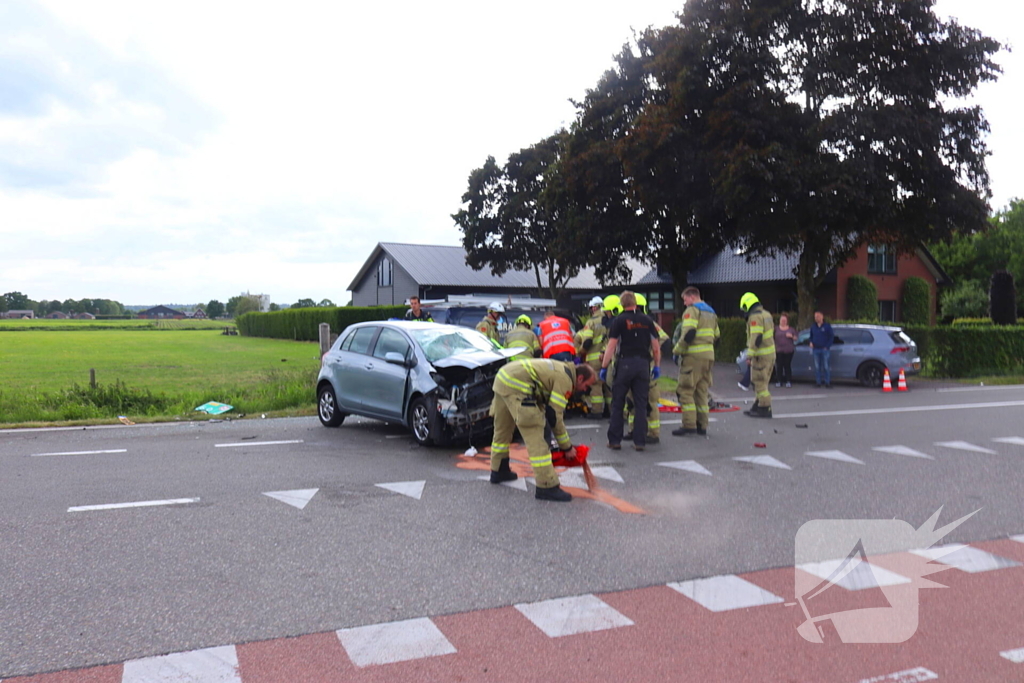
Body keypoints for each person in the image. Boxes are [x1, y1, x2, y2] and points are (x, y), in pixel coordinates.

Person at [488, 359, 597, 502]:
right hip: (517, 387)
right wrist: (567, 447)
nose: (585, 390)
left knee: (502, 431)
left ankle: (499, 470)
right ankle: (547, 486)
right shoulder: (566, 380)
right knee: (536, 437)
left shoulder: (561, 368)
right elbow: (554, 416)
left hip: (503, 379)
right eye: (586, 386)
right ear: (580, 378)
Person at [601, 291, 661, 451]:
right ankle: (640, 441)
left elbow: (611, 346)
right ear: (635, 302)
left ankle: (615, 440)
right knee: (641, 404)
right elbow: (656, 347)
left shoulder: (619, 321)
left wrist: (604, 366)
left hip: (624, 364)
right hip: (643, 365)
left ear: (621, 304)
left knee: (618, 403)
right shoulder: (648, 320)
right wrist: (657, 366)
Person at [672, 287, 720, 436]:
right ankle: (702, 425)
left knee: (685, 390)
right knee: (701, 391)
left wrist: (677, 351)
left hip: (693, 356)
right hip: (708, 356)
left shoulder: (692, 311)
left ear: (692, 297)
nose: (685, 303)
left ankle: (689, 424)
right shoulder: (711, 312)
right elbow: (717, 336)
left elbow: (689, 332)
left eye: (685, 299)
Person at [624, 293, 670, 443]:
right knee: (631, 400)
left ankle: (652, 433)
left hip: (647, 366)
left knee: (649, 401)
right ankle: (633, 430)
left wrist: (650, 351)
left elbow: (663, 338)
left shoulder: (649, 323)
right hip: (633, 365)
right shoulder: (627, 321)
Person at [740, 292, 775, 418]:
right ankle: (758, 405)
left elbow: (756, 337)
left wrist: (749, 354)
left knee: (758, 382)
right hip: (770, 354)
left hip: (760, 356)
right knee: (763, 382)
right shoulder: (766, 314)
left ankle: (765, 408)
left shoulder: (755, 317)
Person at [577, 296, 610, 418]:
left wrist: (580, 352)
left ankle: (597, 411)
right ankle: (610, 410)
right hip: (608, 358)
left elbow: (587, 342)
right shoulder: (610, 320)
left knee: (595, 385)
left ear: (595, 307)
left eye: (591, 308)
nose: (591, 310)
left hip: (595, 360)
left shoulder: (591, 322)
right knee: (608, 385)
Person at [808, 311, 835, 388]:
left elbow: (831, 337)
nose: (817, 318)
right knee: (817, 367)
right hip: (816, 349)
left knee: (826, 367)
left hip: (825, 349)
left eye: (818, 316)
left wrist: (827, 346)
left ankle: (827, 382)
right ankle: (818, 382)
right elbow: (811, 336)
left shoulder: (827, 326)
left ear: (822, 317)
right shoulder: (813, 327)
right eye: (815, 317)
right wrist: (811, 342)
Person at [774, 314, 797, 387]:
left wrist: (792, 336)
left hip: (788, 350)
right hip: (778, 350)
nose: (783, 321)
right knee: (779, 366)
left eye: (784, 320)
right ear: (779, 321)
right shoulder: (776, 329)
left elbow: (796, 338)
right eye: (782, 320)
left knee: (787, 365)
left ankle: (788, 381)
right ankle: (779, 381)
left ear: (787, 321)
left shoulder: (791, 329)